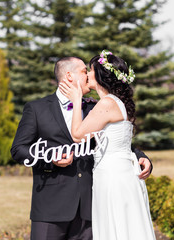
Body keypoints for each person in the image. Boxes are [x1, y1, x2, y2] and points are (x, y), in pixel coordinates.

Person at [11, 56, 152, 240]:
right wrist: (50, 159)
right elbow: (18, 149)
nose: (88, 76)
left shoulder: (96, 107)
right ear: (69, 76)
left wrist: (141, 156)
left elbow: (115, 141)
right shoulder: (37, 109)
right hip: (50, 208)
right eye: (84, 71)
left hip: (90, 208)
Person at [59, 50, 156, 240]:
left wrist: (76, 100)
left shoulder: (107, 104)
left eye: (91, 70)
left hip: (113, 176)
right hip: (120, 172)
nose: (87, 74)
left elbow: (78, 135)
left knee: (117, 226)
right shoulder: (116, 102)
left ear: (101, 76)